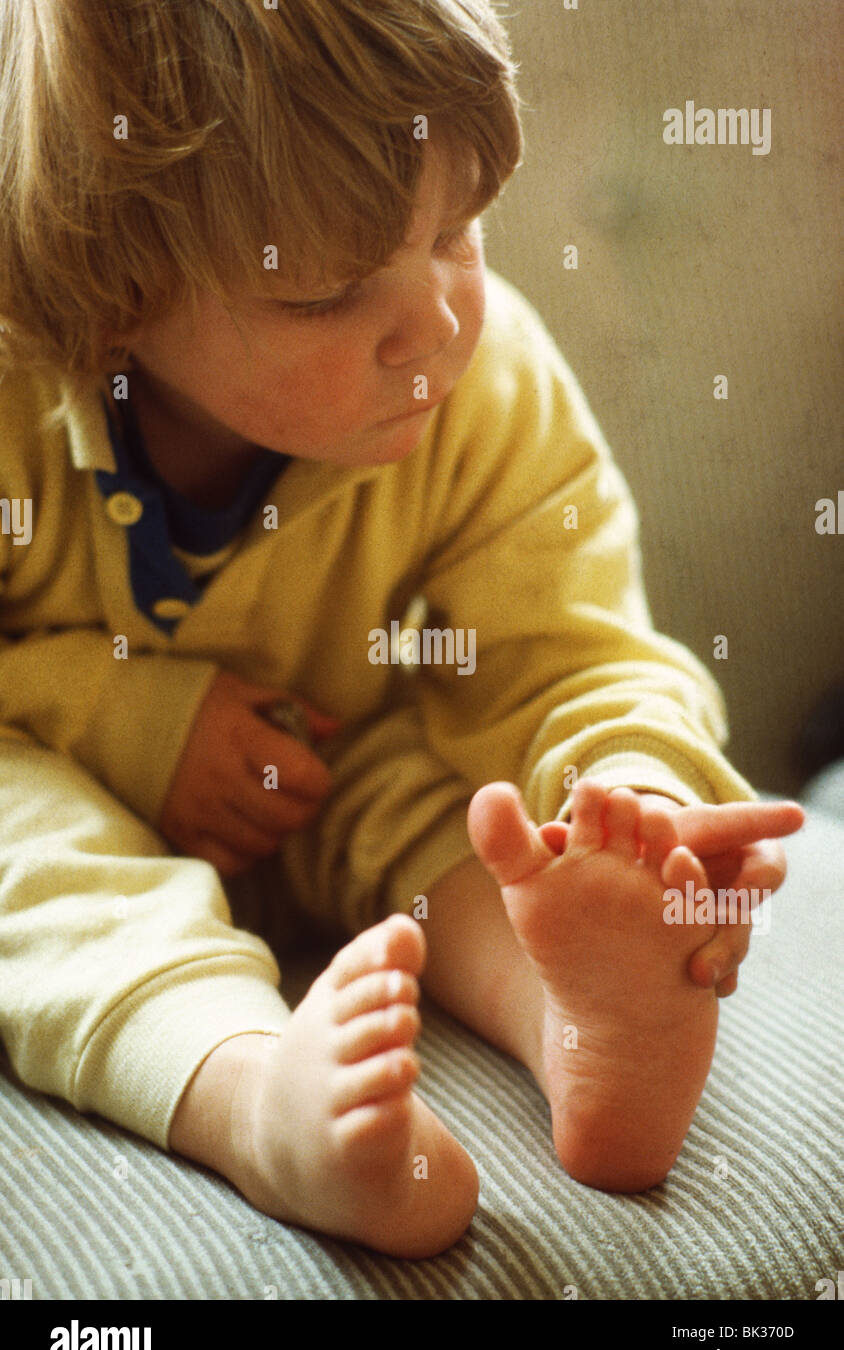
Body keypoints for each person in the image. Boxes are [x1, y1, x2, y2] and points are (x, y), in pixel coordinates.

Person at [0, 0, 803, 1259]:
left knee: (473, 802)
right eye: (326, 295)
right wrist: (128, 719)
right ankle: (255, 1099)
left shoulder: (490, 388)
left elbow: (577, 650)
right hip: (51, 788)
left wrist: (633, 805)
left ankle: (576, 1012)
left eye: (458, 231)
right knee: (21, 843)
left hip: (326, 768)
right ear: (115, 300)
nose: (435, 325)